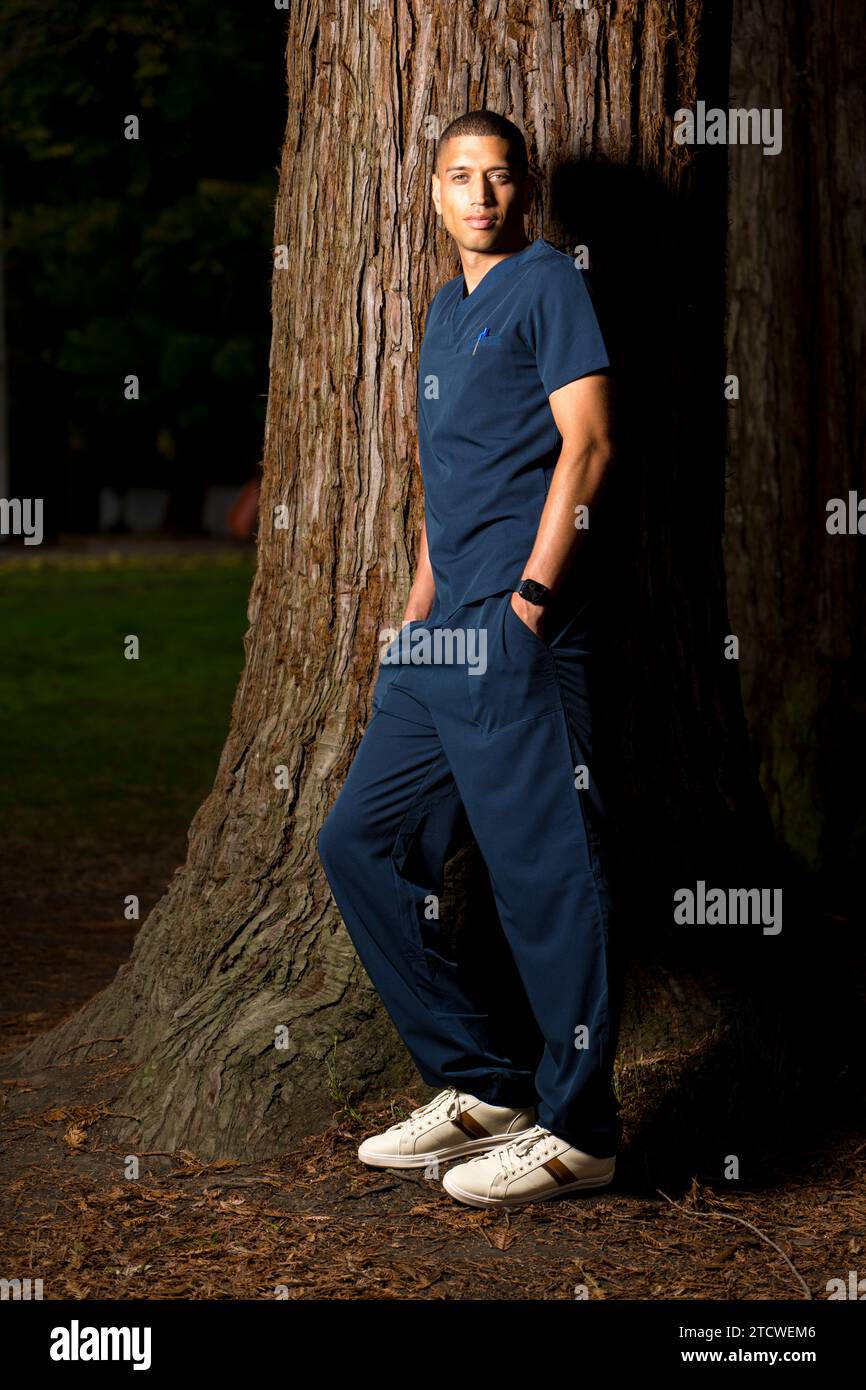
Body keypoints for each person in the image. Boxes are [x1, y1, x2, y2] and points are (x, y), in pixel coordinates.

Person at [317, 109, 624, 1210]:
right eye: (459, 176)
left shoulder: (549, 282)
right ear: (434, 192)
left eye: (497, 177)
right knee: (357, 839)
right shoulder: (445, 310)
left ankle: (580, 1128)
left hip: (516, 629)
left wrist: (531, 600)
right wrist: (416, 609)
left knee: (545, 876)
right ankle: (482, 1084)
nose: (479, 195)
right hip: (438, 635)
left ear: (522, 189)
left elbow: (585, 444)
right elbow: (439, 480)